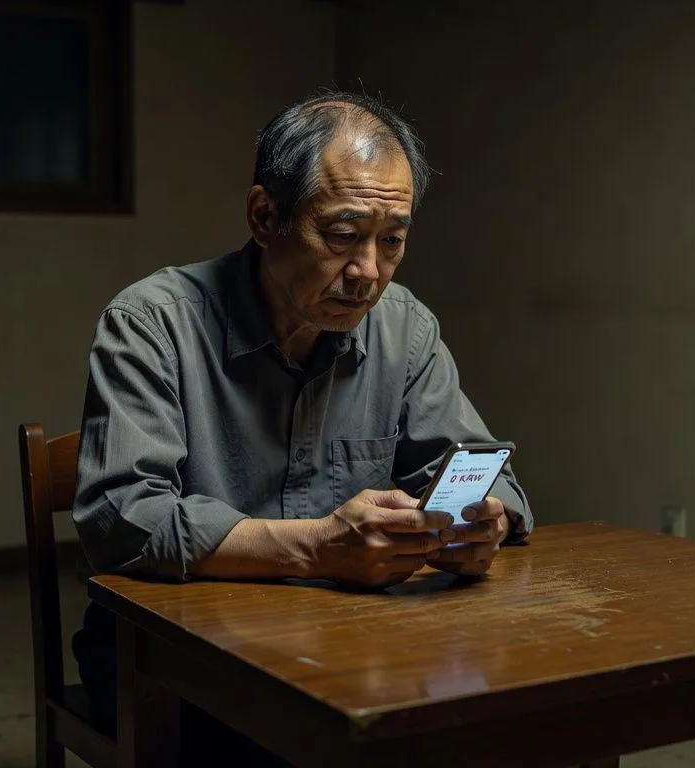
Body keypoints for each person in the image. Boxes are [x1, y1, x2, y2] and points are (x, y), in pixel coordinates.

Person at [70, 90, 533, 762]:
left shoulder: (405, 328)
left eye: (393, 241)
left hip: (350, 650)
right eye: (342, 236)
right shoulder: (153, 322)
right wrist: (316, 547)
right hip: (176, 663)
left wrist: (482, 521)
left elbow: (492, 479)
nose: (368, 273)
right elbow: (120, 517)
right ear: (266, 216)